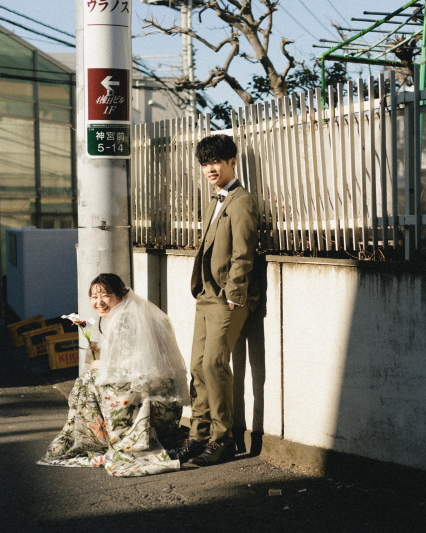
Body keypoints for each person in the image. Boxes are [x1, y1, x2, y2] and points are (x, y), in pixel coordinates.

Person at [37, 273, 189, 477]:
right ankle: (101, 437)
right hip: (162, 395)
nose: (98, 302)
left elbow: (136, 365)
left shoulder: (124, 320)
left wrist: (101, 364)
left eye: (105, 295)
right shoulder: (130, 314)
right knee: (92, 377)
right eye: (93, 297)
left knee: (88, 380)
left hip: (153, 398)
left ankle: (96, 440)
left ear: (121, 295)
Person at [178, 134, 260, 466]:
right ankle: (198, 435)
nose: (210, 168)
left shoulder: (241, 201)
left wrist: (232, 295)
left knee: (213, 364)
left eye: (216, 162)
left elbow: (244, 252)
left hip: (228, 297)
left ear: (232, 163)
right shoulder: (214, 200)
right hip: (206, 295)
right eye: (205, 163)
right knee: (198, 367)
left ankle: (222, 439)